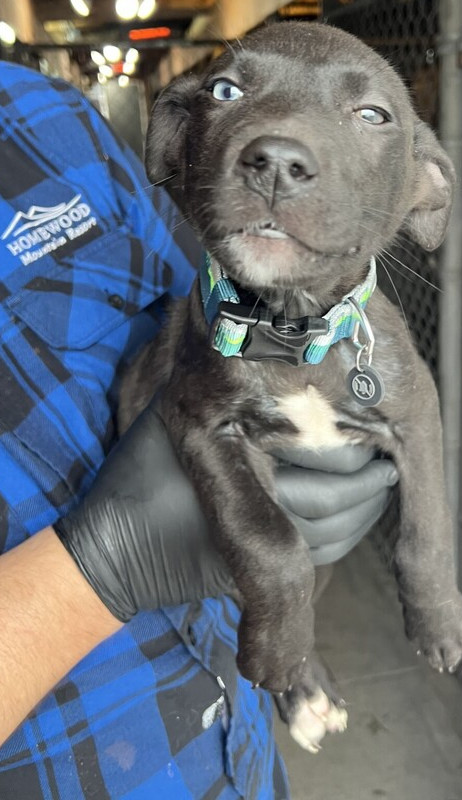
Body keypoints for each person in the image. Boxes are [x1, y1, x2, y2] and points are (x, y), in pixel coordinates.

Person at [0, 61, 397, 799]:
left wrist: (280, 613)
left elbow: (201, 320)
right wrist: (95, 571)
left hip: (237, 755)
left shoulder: (40, 112)